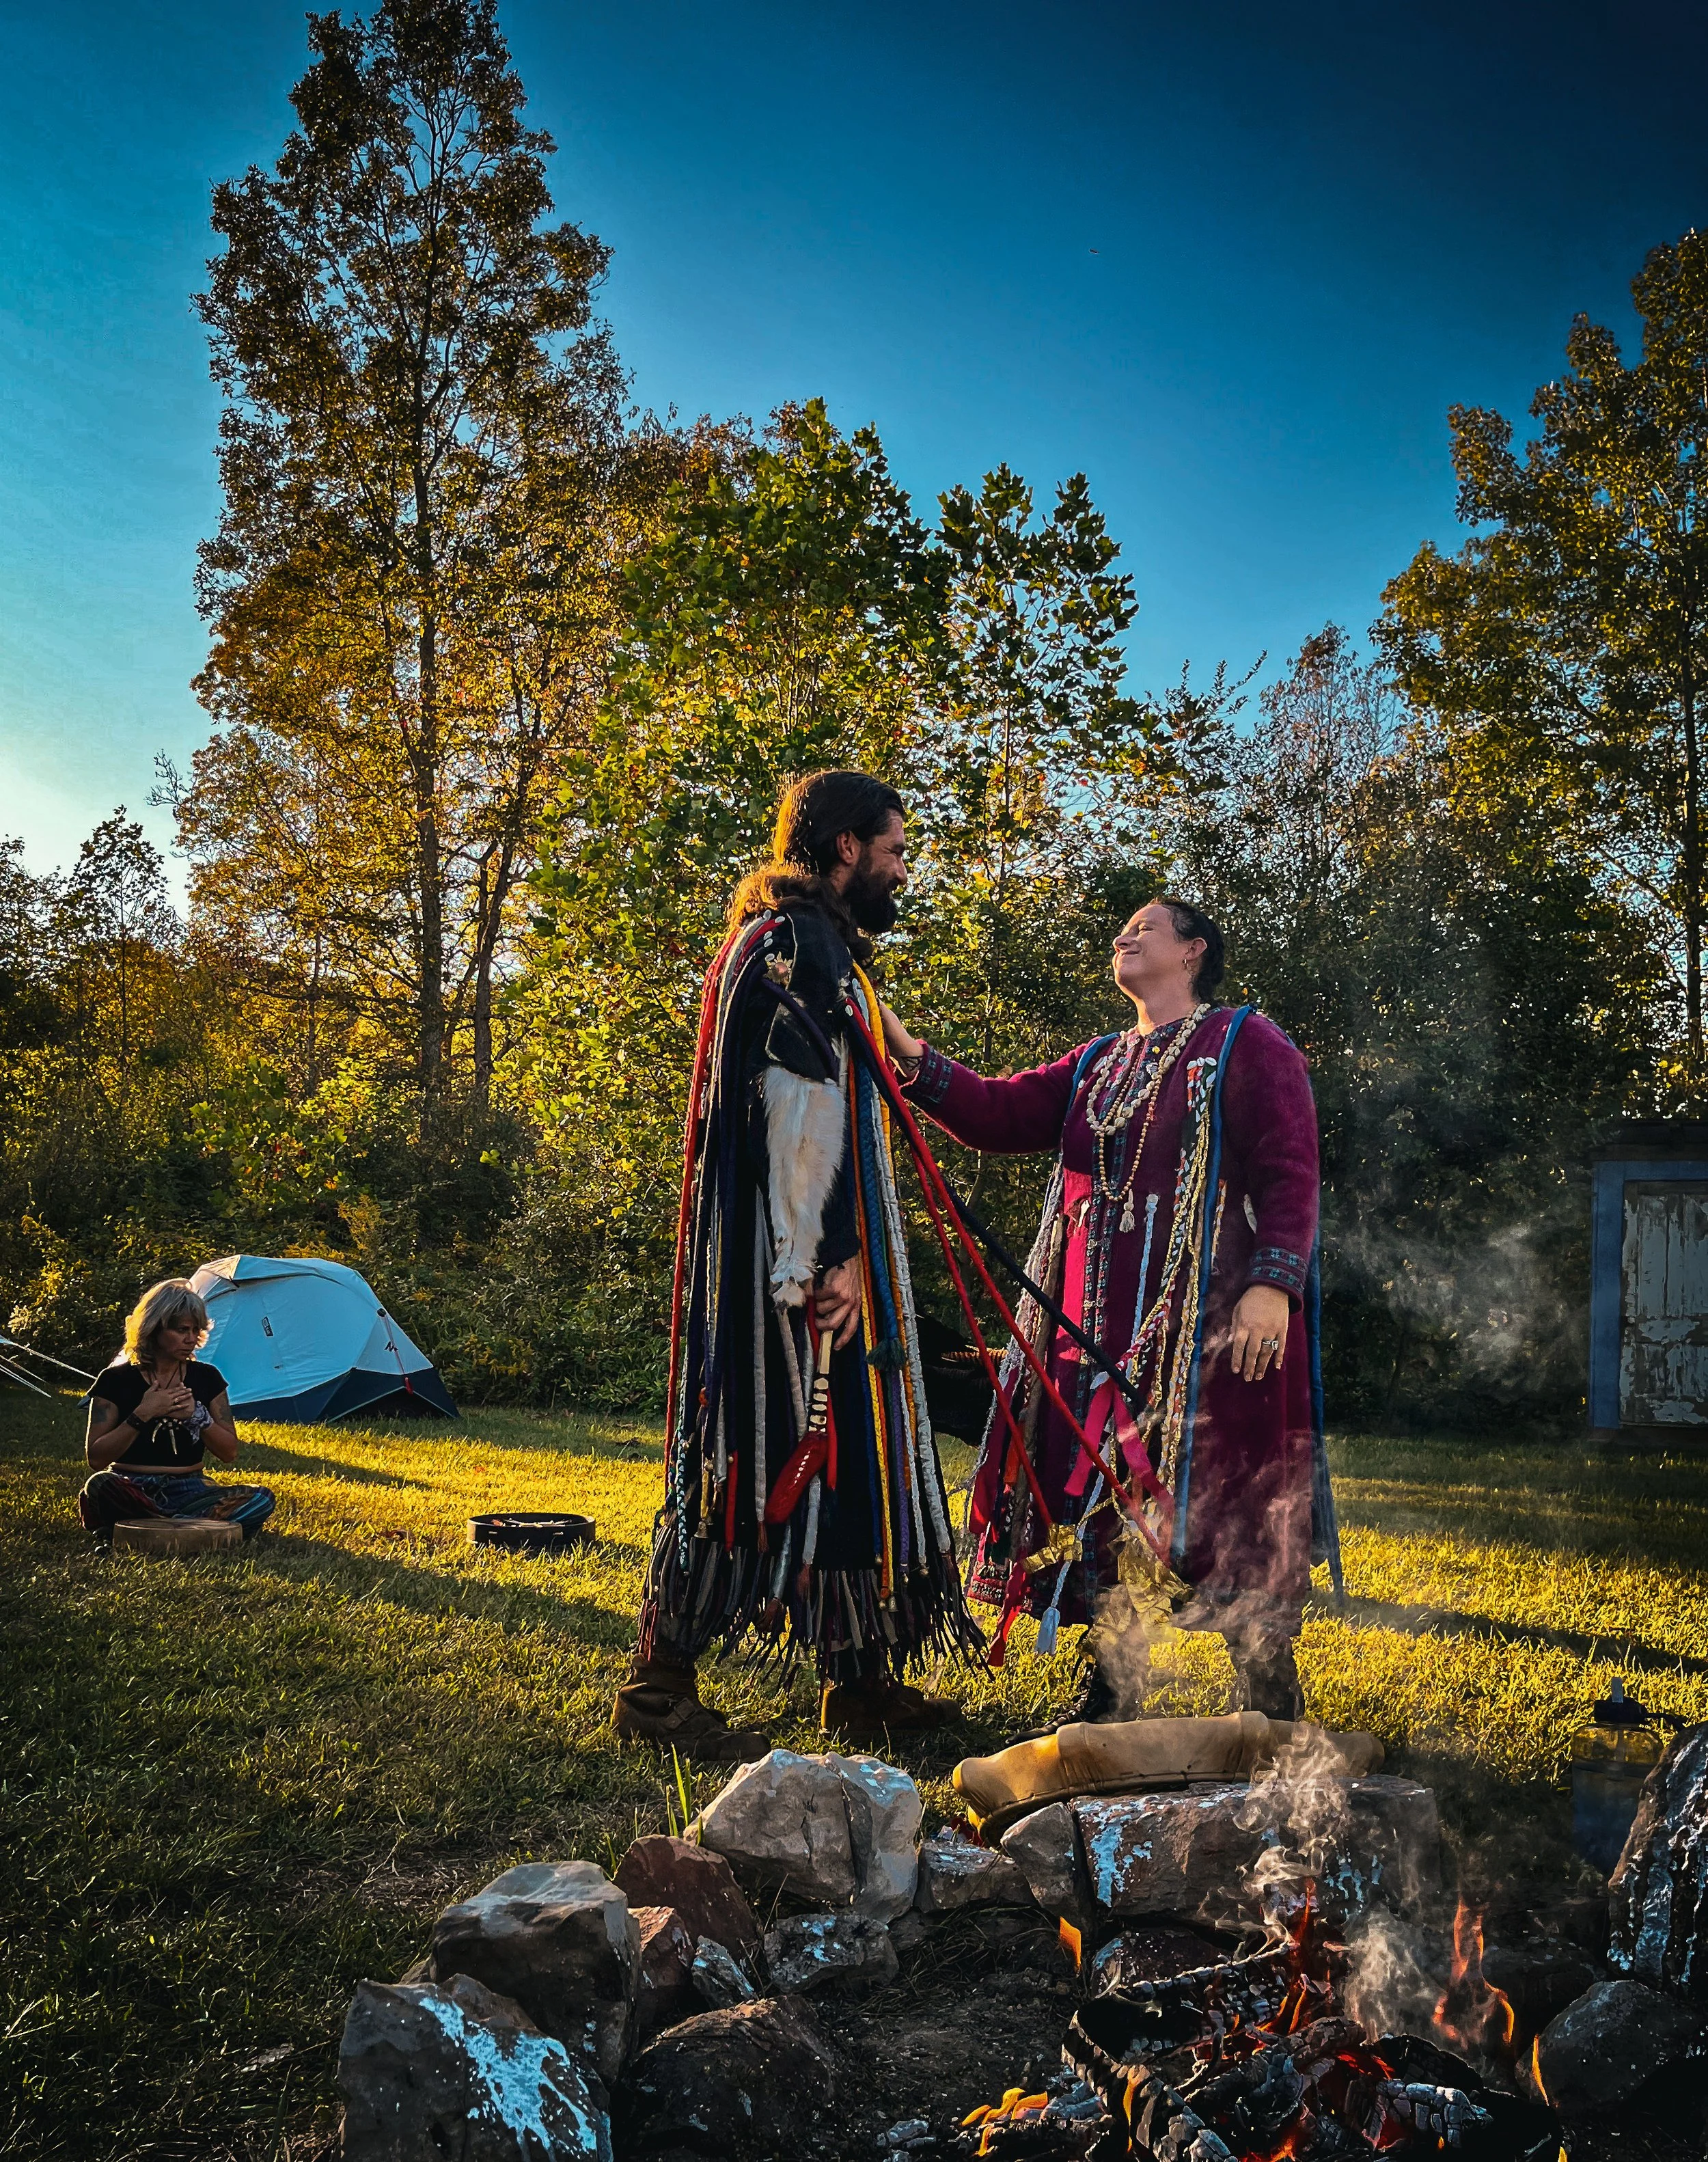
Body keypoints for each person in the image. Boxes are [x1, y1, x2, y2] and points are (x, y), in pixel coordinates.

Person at [883, 897, 1332, 1719]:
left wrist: (1274, 1281)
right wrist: (899, 1044)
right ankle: (1113, 1683)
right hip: (1096, 1326)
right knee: (1100, 1490)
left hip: (1212, 1325)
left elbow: (1291, 1169)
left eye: (1144, 927)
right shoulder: (1095, 1062)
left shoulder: (1244, 1042)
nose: (1123, 935)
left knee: (1225, 1483)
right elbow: (994, 1111)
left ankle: (1267, 1686)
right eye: (1122, 928)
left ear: (1194, 950)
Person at [613, 770, 982, 1760]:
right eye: (896, 850)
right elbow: (798, 1108)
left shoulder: (802, 945)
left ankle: (859, 1677)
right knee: (759, 1450)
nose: (904, 870)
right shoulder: (796, 945)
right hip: (791, 1267)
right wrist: (830, 1258)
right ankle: (658, 1686)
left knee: (847, 1450)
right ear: (847, 847)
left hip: (789, 1252)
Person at [81, 1280, 275, 1544]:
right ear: (154, 1328)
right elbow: (96, 1458)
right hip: (133, 1485)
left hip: (191, 1488)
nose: (191, 1339)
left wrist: (199, 1417)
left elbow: (229, 1452)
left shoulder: (207, 1378)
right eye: (182, 1330)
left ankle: (152, 1525)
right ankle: (192, 1528)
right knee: (100, 1485)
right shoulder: (115, 1380)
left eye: (196, 1330)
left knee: (261, 1498)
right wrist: (142, 1414)